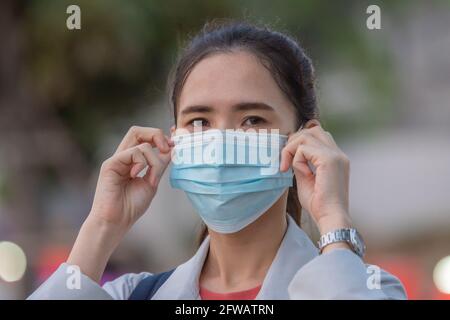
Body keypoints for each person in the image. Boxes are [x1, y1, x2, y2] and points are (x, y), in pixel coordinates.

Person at [28, 21, 406, 300]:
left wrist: (333, 221)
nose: (222, 140)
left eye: (252, 119)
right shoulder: (132, 296)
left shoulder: (367, 287)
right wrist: (101, 226)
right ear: (172, 139)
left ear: (306, 140)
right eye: (199, 121)